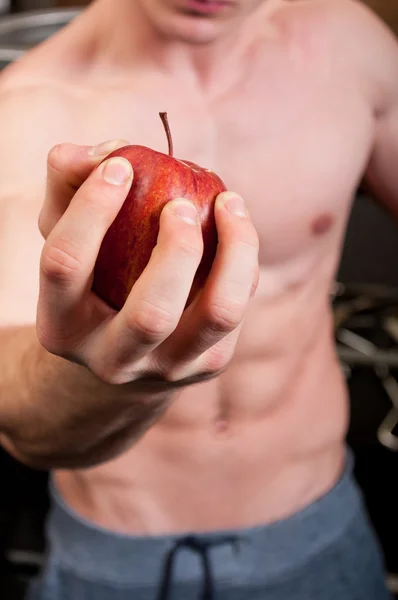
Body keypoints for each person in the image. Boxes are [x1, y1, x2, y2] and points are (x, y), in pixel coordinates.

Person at [0, 0, 397, 597]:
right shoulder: (28, 107)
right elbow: (21, 423)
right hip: (116, 561)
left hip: (320, 529)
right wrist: (121, 381)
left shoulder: (354, 48)